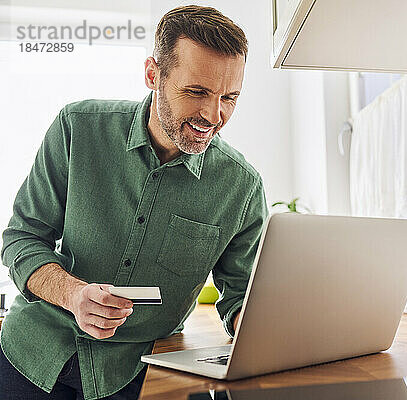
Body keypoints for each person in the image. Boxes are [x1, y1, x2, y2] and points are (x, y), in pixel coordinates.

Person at [0, 6, 267, 400]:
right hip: (32, 355)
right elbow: (21, 239)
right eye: (197, 92)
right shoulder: (77, 128)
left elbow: (242, 295)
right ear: (153, 74)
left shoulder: (241, 188)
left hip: (139, 372)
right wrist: (74, 295)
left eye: (229, 97)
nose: (214, 115)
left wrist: (260, 325)